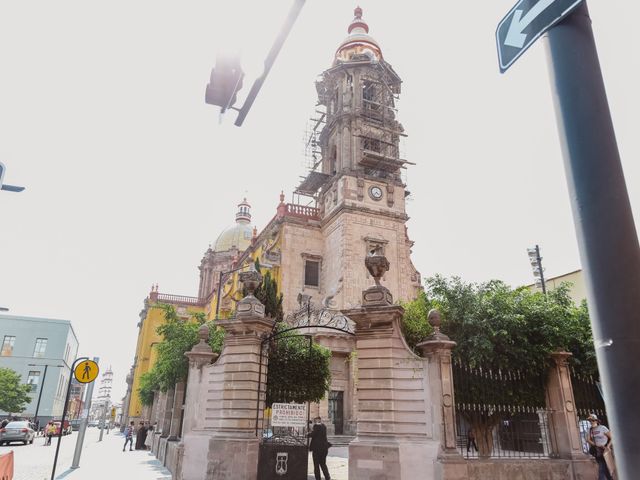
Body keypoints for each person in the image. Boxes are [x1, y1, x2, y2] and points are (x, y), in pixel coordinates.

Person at [585, 413, 613, 480]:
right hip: (597, 450)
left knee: (601, 467)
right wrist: (595, 444)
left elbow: (612, 438)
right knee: (604, 467)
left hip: (604, 450)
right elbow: (588, 439)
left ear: (596, 421)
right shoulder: (590, 430)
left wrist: (608, 446)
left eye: (592, 420)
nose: (591, 422)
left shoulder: (602, 428)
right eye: (590, 420)